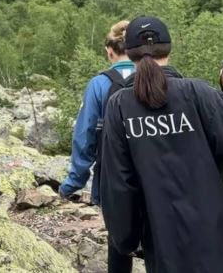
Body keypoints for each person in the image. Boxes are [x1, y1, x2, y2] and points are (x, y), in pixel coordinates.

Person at [100, 16, 223, 273]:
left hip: (161, 244)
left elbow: (118, 184)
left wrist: (126, 240)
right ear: (168, 48)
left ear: (130, 52)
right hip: (215, 243)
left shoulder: (119, 106)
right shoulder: (197, 93)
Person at [59, 20, 135, 273]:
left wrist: (73, 183)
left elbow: (85, 136)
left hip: (112, 177)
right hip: (153, 172)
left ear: (109, 50)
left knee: (118, 243)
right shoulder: (154, 79)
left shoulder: (99, 84)